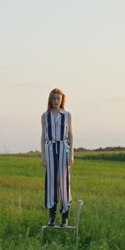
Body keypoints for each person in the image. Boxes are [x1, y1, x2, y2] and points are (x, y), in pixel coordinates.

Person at [41, 88, 74, 227]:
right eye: (54, 99)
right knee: (51, 182)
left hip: (63, 149)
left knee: (64, 182)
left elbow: (71, 135)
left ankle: (64, 216)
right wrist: (43, 155)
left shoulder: (67, 115)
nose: (56, 101)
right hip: (50, 149)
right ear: (50, 99)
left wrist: (71, 153)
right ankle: (52, 216)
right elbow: (43, 136)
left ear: (61, 100)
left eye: (58, 99)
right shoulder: (45, 116)